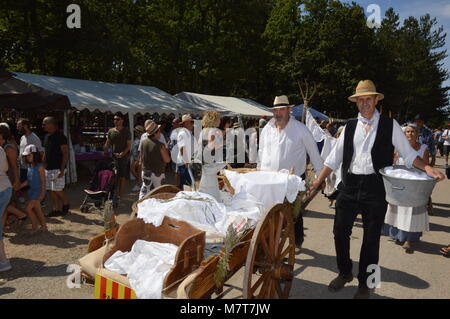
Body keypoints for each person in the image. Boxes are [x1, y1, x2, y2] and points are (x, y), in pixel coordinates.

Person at [310, 80, 444, 299]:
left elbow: (409, 156)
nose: (364, 103)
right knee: (339, 232)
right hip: (350, 184)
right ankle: (345, 272)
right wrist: (317, 181)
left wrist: (428, 167)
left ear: (375, 101)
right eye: (360, 100)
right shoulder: (349, 127)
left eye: (368, 99)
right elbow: (333, 158)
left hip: (376, 187)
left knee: (371, 239)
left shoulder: (391, 125)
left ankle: (367, 283)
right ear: (357, 103)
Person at [258, 95, 324, 247]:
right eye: (276, 110)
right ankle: (272, 243)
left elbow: (314, 153)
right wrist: (259, 173)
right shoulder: (267, 129)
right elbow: (261, 152)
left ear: (289, 110)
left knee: (294, 214)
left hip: (293, 180)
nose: (278, 113)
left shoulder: (301, 129)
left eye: (282, 109)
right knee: (271, 214)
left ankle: (296, 240)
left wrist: (320, 177)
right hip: (269, 180)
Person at [383, 124, 429, 253]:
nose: (410, 134)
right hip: (401, 182)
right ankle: (398, 235)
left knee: (412, 212)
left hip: (415, 184)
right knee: (398, 209)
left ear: (417, 133)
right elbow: (393, 164)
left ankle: (409, 239)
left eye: (412, 131)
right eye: (407, 131)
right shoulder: (398, 148)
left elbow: (425, 167)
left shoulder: (423, 148)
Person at [42, 117, 70, 217]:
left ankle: (66, 204)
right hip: (48, 168)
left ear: (52, 124)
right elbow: (46, 151)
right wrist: (43, 164)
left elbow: (66, 153)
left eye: (45, 123)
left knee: (57, 189)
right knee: (51, 189)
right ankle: (55, 209)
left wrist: (62, 169)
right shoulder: (46, 136)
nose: (43, 125)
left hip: (58, 167)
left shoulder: (61, 137)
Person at [0, 125, 27, 229]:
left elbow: (15, 166)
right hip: (5, 177)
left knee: (6, 204)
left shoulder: (8, 147)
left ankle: (21, 215)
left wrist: (16, 180)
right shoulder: (3, 146)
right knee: (6, 204)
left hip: (9, 178)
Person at [139, 121, 171, 199]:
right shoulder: (160, 145)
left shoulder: (143, 142)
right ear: (155, 133)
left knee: (144, 191)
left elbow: (141, 158)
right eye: (159, 130)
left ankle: (139, 207)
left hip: (146, 171)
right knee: (159, 193)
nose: (160, 132)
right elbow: (167, 160)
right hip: (158, 173)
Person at [103, 113, 131, 201]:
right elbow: (108, 142)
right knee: (113, 176)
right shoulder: (111, 131)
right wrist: (105, 151)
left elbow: (129, 145)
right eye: (114, 119)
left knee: (122, 177)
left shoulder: (126, 131)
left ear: (122, 120)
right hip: (113, 157)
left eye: (117, 119)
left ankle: (120, 196)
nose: (115, 121)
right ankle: (112, 194)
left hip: (123, 157)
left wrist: (122, 153)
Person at [19, 145, 47, 233]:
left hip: (37, 192)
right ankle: (44, 227)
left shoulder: (40, 167)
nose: (27, 158)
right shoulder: (29, 167)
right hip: (31, 192)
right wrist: (19, 186)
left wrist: (42, 194)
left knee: (28, 209)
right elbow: (28, 180)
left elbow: (43, 181)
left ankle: (35, 227)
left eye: (29, 155)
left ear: (35, 155)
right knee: (38, 211)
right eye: (26, 156)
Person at [0, 145, 12, 272]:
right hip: (5, 188)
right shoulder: (0, 149)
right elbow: (5, 168)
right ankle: (3, 260)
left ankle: (3, 261)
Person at [177, 114, 197, 189]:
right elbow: (182, 148)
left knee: (189, 184)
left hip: (188, 162)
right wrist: (186, 161)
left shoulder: (189, 133)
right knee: (187, 185)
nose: (192, 124)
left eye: (192, 122)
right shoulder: (183, 133)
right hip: (185, 163)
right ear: (185, 123)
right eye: (190, 122)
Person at [169, 118, 182, 187]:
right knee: (175, 170)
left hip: (180, 155)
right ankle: (177, 185)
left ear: (179, 123)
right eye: (173, 123)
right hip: (173, 154)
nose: (173, 124)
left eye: (174, 123)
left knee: (179, 171)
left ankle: (179, 185)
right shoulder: (173, 131)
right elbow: (170, 141)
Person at [131, 125, 144, 192]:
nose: (135, 132)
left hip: (139, 158)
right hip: (135, 157)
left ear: (139, 132)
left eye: (136, 131)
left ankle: (139, 184)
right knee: (132, 170)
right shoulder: (137, 138)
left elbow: (140, 150)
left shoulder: (142, 138)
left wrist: (138, 159)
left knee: (138, 171)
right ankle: (140, 181)